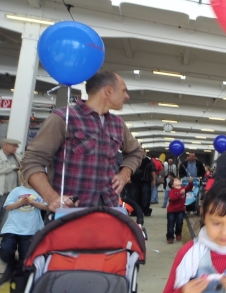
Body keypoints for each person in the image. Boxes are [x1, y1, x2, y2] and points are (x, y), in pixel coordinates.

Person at [22, 70, 145, 211]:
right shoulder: (64, 118)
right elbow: (32, 161)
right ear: (108, 91)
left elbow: (136, 151)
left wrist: (125, 174)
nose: (127, 96)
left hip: (109, 208)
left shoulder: (117, 124)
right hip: (70, 211)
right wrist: (52, 198)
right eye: (124, 91)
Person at [0, 173, 47, 274]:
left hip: (31, 229)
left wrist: (34, 203)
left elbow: (46, 207)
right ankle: (12, 264)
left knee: (25, 256)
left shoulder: (41, 192)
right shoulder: (17, 190)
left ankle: (18, 274)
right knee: (6, 250)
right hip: (13, 227)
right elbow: (7, 206)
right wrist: (20, 203)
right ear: (23, 179)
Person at [166, 177, 192, 244]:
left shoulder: (183, 188)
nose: (178, 180)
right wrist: (180, 193)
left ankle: (178, 233)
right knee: (170, 224)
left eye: (178, 179)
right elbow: (173, 198)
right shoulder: (172, 191)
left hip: (180, 210)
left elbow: (189, 187)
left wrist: (190, 182)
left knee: (179, 223)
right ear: (173, 185)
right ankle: (170, 237)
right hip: (171, 210)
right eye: (176, 180)